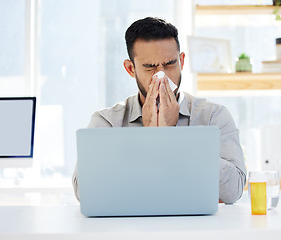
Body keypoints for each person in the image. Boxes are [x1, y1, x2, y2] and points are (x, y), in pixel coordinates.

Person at [72, 17, 246, 204]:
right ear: (131, 69)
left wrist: (171, 138)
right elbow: (85, 192)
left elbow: (233, 191)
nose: (161, 76)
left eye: (170, 64)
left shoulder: (213, 116)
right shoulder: (107, 122)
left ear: (182, 61)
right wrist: (148, 139)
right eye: (150, 67)